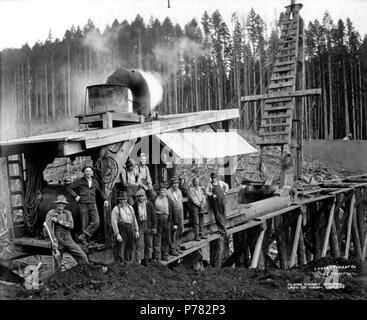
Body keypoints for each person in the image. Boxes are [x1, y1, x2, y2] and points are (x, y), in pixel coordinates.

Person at [67, 165, 108, 246]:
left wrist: (106, 199)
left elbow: (100, 192)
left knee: (96, 222)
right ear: (84, 173)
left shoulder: (95, 182)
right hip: (83, 203)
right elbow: (69, 188)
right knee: (85, 223)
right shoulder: (80, 181)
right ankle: (85, 240)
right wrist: (76, 196)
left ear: (92, 173)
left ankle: (83, 236)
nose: (88, 173)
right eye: (86, 171)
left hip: (93, 203)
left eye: (89, 171)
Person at [44, 195, 88, 266]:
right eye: (59, 203)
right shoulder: (51, 213)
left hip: (68, 239)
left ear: (65, 205)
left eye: (63, 203)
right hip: (58, 240)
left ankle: (85, 270)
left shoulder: (68, 213)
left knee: (82, 256)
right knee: (57, 260)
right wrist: (54, 240)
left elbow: (71, 225)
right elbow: (48, 227)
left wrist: (59, 221)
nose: (61, 205)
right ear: (56, 204)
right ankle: (57, 274)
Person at [111, 191, 140, 264]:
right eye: (121, 199)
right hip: (122, 229)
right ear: (119, 200)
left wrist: (136, 230)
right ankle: (120, 264)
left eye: (124, 199)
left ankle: (128, 262)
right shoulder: (116, 209)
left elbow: (134, 219)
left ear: (127, 199)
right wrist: (117, 234)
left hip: (130, 228)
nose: (122, 201)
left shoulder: (130, 207)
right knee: (121, 247)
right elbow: (114, 223)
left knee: (130, 246)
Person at [153, 183, 178, 261]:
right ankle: (157, 257)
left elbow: (174, 212)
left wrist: (175, 223)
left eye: (164, 190)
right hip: (158, 221)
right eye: (161, 190)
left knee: (166, 239)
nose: (163, 191)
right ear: (159, 191)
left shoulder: (169, 199)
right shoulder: (154, 199)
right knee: (157, 239)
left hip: (167, 221)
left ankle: (165, 255)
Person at [133, 189, 157, 265]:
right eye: (139, 196)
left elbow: (154, 217)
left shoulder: (149, 204)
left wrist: (154, 227)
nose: (140, 198)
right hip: (139, 225)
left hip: (148, 225)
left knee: (149, 243)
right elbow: (134, 218)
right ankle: (139, 260)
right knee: (139, 244)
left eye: (142, 196)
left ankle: (147, 259)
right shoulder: (134, 206)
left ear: (145, 196)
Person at [166, 177, 184, 255]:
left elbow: (180, 202)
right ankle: (172, 249)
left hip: (180, 213)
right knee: (173, 231)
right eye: (174, 183)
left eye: (177, 183)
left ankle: (177, 247)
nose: (176, 185)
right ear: (171, 184)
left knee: (180, 230)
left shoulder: (179, 191)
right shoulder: (168, 192)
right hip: (173, 214)